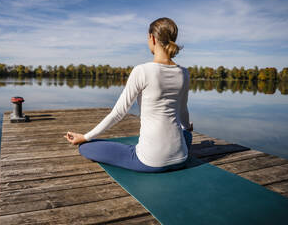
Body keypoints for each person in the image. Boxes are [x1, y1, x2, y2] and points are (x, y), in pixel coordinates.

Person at [64, 17, 193, 173]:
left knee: (85, 148)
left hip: (151, 161)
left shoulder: (142, 71)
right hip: (181, 157)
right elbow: (183, 111)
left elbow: (118, 113)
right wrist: (187, 128)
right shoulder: (184, 73)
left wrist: (85, 137)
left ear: (152, 37)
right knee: (185, 134)